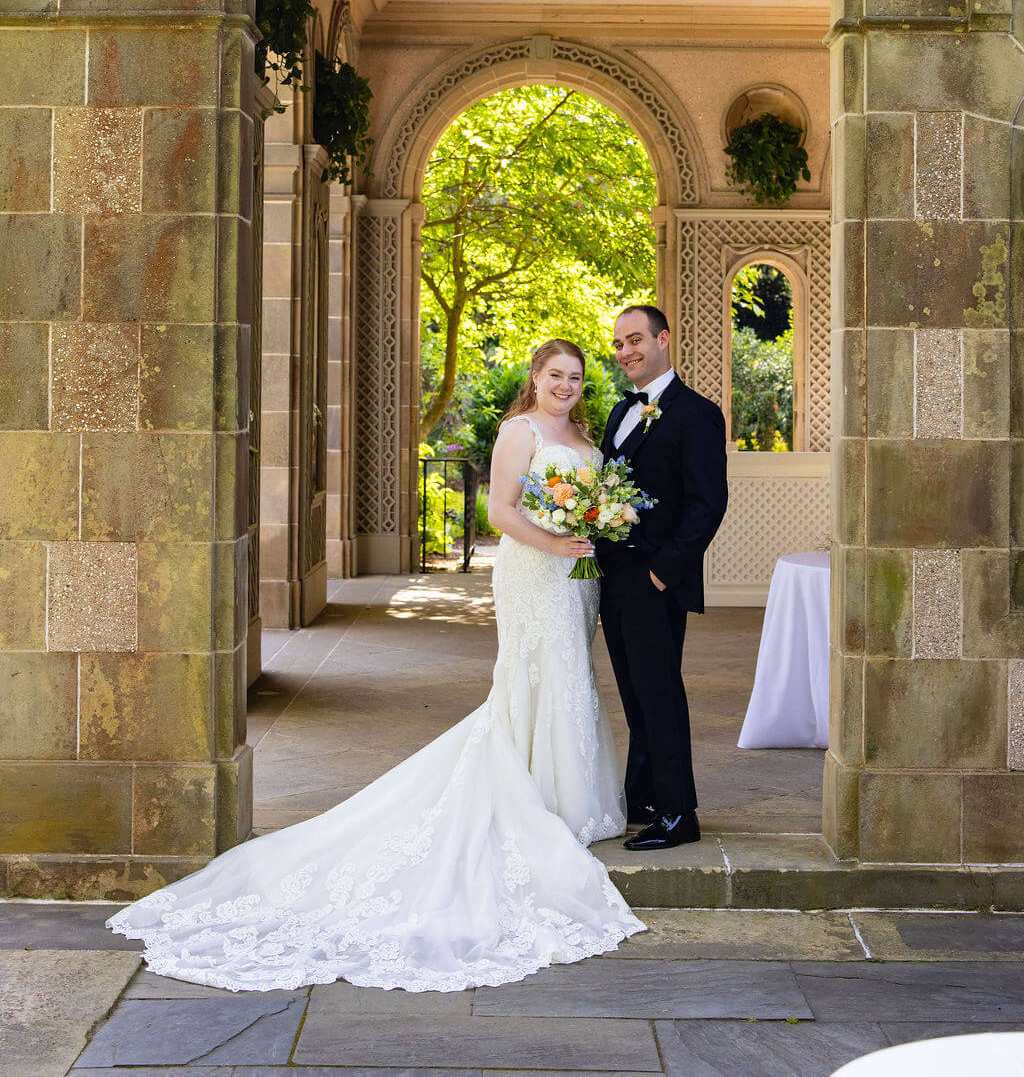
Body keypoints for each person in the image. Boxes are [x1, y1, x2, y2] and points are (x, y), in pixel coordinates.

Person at [107, 337, 643, 992]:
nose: (566, 385)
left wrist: (589, 531)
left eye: (575, 377)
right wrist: (558, 539)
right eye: (555, 374)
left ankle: (569, 793)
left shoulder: (583, 436)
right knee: (540, 674)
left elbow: (591, 502)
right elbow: (501, 511)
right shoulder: (519, 431)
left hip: (575, 577)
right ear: (534, 378)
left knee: (572, 676)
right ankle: (542, 796)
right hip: (537, 571)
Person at [597, 305, 728, 851]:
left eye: (635, 340)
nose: (626, 351)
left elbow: (707, 503)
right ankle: (645, 795)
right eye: (619, 343)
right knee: (633, 692)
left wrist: (661, 573)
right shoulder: (619, 411)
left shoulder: (697, 413)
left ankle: (679, 813)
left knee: (660, 693)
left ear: (663, 340)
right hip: (614, 575)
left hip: (654, 580)